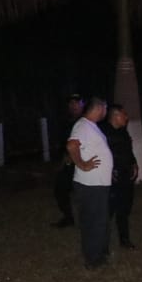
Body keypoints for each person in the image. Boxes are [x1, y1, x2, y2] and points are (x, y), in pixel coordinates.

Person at [66, 97, 113, 269]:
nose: (106, 112)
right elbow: (72, 146)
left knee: (96, 220)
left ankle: (97, 253)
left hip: (96, 184)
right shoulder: (83, 125)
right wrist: (83, 164)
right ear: (100, 108)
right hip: (90, 185)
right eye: (105, 109)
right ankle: (93, 259)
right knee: (94, 221)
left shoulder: (90, 126)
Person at [105, 104, 138, 249]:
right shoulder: (104, 133)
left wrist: (134, 163)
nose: (126, 117)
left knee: (124, 208)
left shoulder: (123, 132)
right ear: (116, 116)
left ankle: (124, 240)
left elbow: (128, 151)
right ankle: (102, 242)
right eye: (124, 115)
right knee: (109, 210)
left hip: (125, 175)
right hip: (113, 176)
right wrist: (109, 170)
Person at [52, 93, 83, 228]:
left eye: (76, 102)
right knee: (60, 190)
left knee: (81, 192)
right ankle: (69, 217)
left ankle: (84, 219)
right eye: (71, 103)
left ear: (82, 104)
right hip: (67, 163)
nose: (73, 105)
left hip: (81, 162)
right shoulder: (66, 122)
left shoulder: (85, 122)